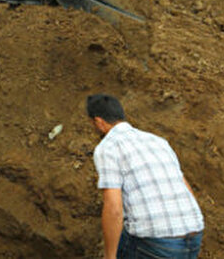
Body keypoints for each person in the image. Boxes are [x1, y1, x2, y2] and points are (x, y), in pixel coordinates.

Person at [87, 94, 204, 259]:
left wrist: (110, 256)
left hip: (157, 243)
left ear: (99, 122)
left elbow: (114, 208)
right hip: (194, 235)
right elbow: (185, 187)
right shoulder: (158, 141)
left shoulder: (109, 147)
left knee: (121, 243)